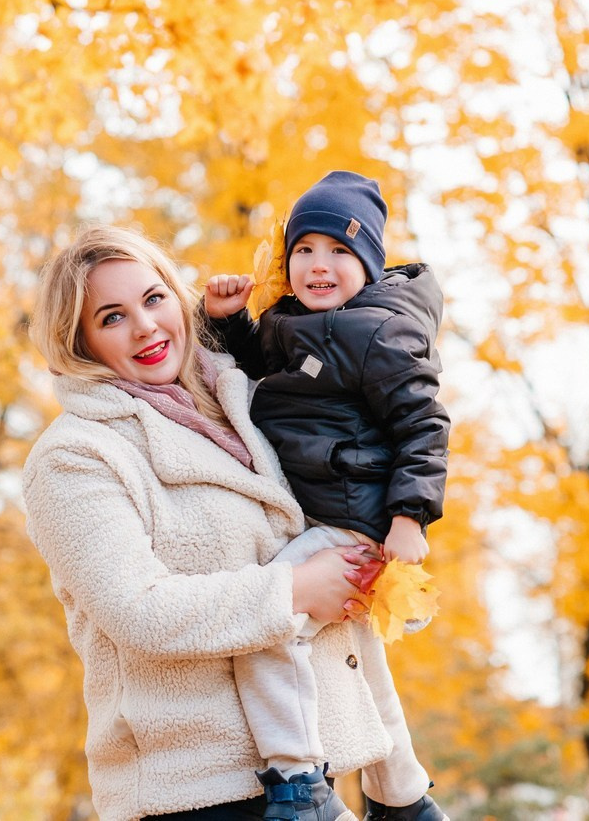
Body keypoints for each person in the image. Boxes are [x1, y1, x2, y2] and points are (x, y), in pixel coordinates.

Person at [23, 224, 409, 821]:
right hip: (194, 790)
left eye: (154, 299)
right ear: (81, 344)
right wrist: (297, 589)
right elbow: (138, 610)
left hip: (309, 775)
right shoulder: (75, 454)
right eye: (112, 317)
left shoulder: (243, 402)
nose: (146, 326)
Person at [204, 171, 451, 821]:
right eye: (304, 249)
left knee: (267, 622)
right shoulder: (292, 321)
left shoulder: (378, 333)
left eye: (340, 251)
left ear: (368, 264)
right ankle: (404, 801)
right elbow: (260, 366)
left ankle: (298, 781)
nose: (319, 264)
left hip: (353, 517)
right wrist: (229, 323)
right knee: (351, 654)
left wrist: (409, 516)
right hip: (318, 507)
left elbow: (424, 425)